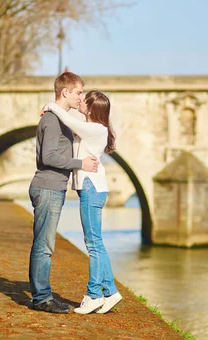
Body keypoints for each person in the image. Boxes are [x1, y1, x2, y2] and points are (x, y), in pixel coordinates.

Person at [42, 90, 123, 315]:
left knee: (93, 243)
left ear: (92, 107)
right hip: (91, 187)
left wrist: (51, 106)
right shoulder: (91, 128)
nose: (80, 100)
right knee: (96, 242)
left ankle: (94, 294)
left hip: (91, 187)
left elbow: (67, 119)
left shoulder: (97, 128)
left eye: (84, 99)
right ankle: (112, 291)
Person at [29, 72, 98, 314]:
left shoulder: (60, 119)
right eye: (79, 92)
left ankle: (42, 294)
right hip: (47, 187)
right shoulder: (52, 120)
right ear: (65, 92)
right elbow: (48, 157)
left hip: (53, 187)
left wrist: (81, 110)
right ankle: (41, 298)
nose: (81, 97)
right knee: (44, 245)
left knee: (46, 244)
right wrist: (80, 164)